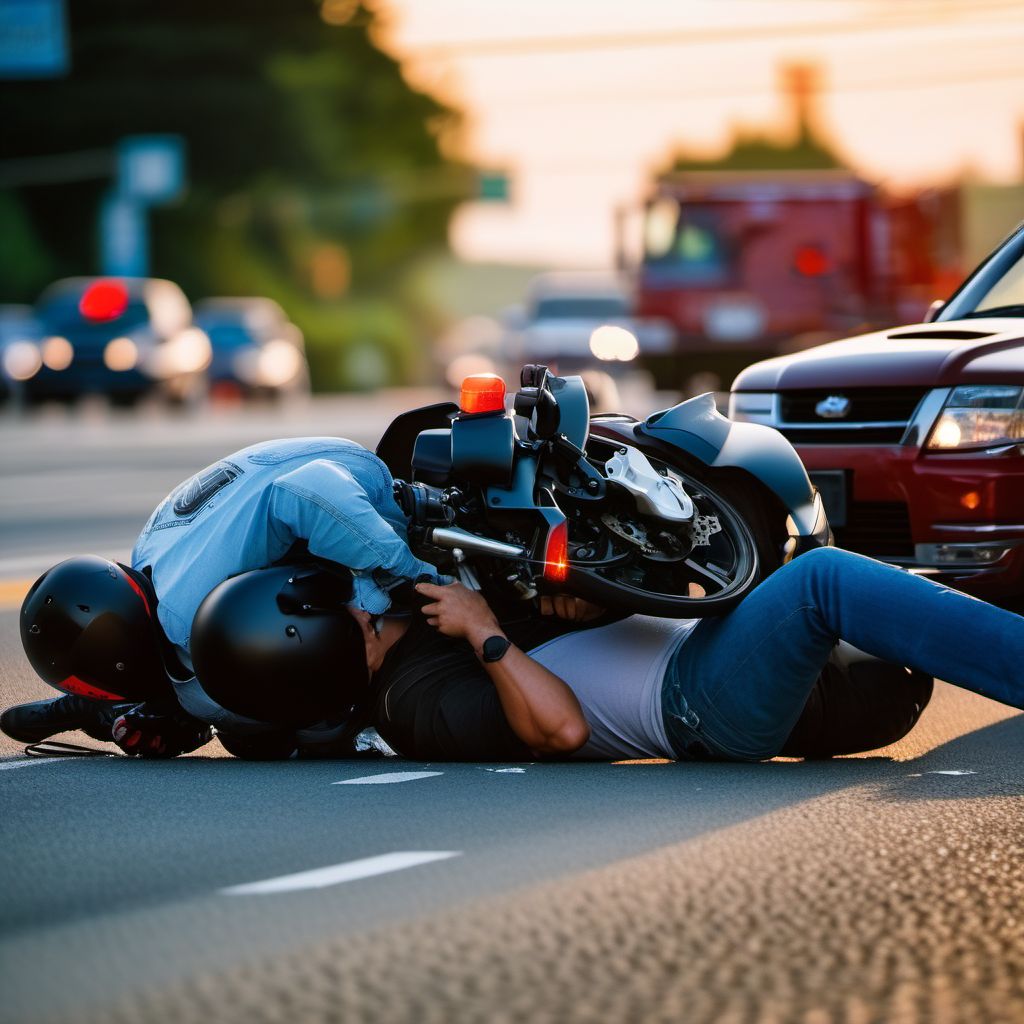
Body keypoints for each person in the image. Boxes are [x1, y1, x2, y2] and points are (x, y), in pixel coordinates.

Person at [362, 546, 1020, 763]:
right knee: (822, 579)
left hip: (713, 659)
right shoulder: (412, 701)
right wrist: (484, 633)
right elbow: (561, 726)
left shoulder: (424, 614)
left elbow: (667, 603)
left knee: (933, 593)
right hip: (696, 705)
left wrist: (600, 600)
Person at [3, 436, 445, 757]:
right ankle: (128, 710)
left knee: (276, 728)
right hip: (335, 459)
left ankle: (123, 710)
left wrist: (412, 574)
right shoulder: (149, 555)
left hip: (343, 487)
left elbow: (304, 490)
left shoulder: (183, 616)